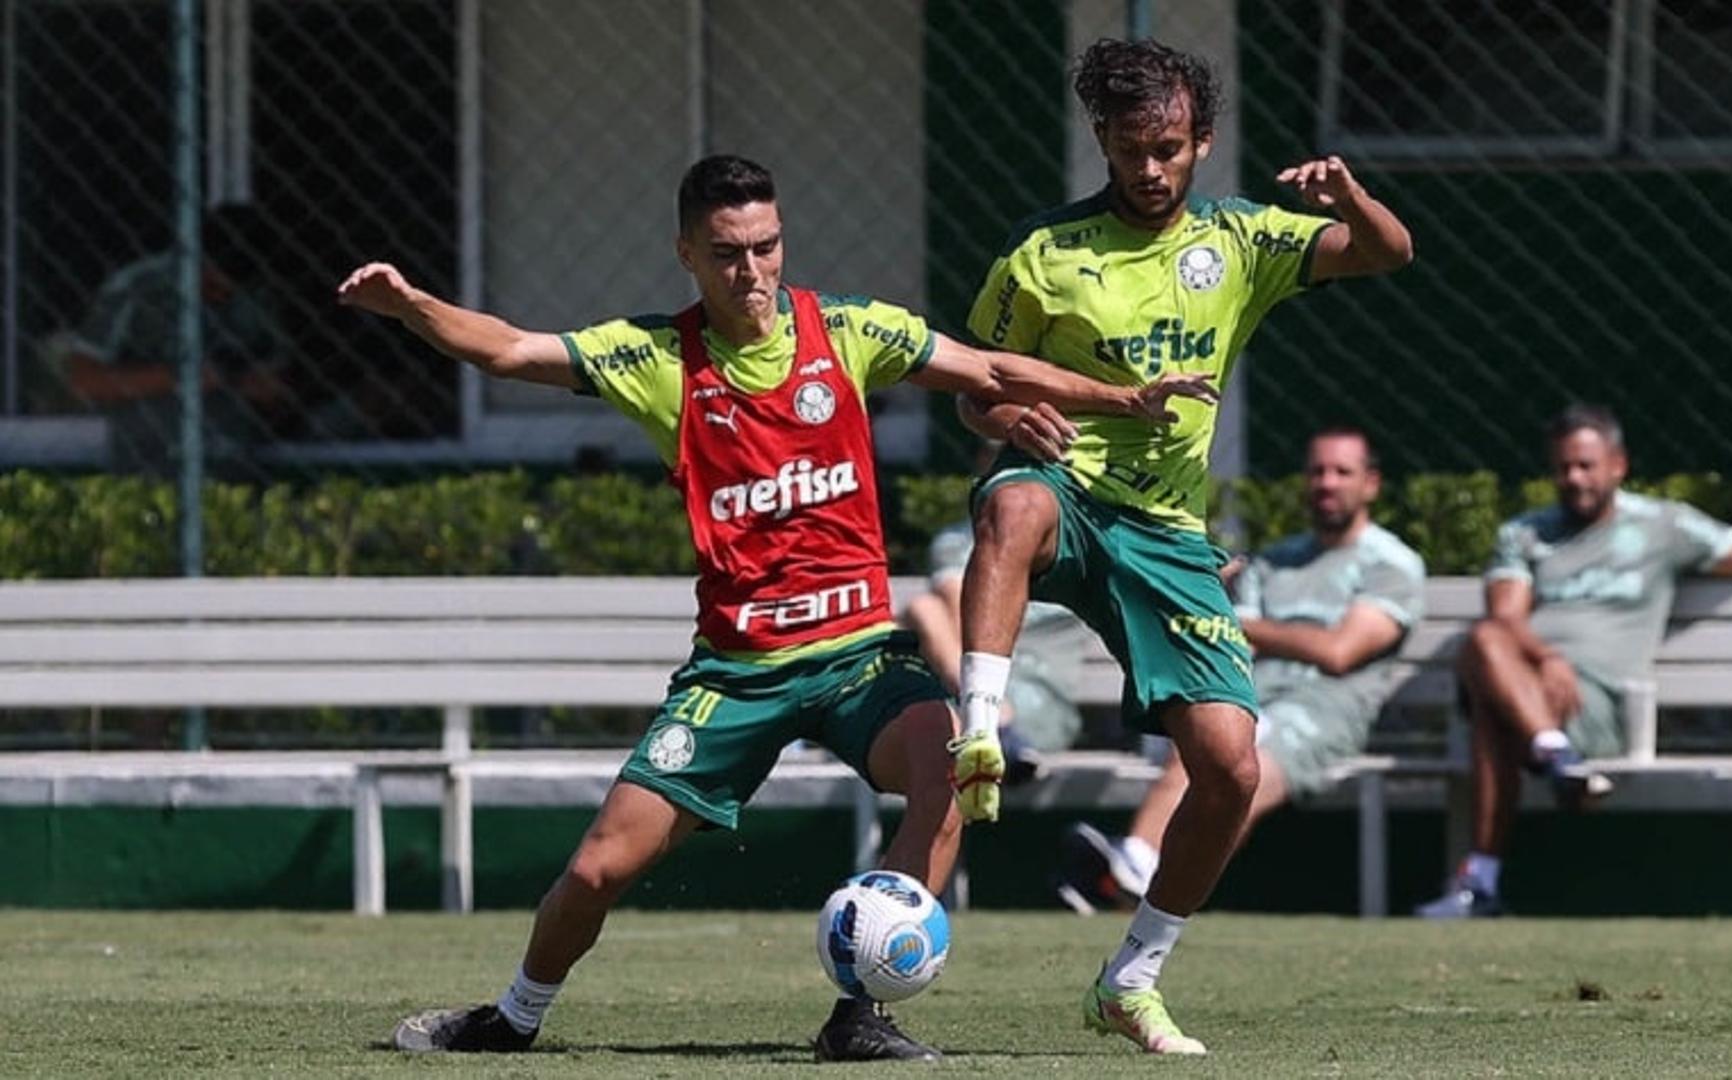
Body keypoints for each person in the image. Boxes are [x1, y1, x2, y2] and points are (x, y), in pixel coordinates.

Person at [336, 154, 1214, 1062]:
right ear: (686, 252)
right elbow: (510, 349)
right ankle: (510, 1020)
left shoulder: (847, 329)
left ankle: (861, 1015)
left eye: (766, 246)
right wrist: (411, 306)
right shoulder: (659, 358)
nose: (751, 271)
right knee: (599, 867)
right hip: (737, 674)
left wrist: (1119, 397)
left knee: (947, 770)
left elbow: (987, 365)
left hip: (858, 658)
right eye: (726, 253)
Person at [946, 38, 1414, 1054]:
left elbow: (1388, 253)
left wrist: (1349, 198)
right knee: (1011, 505)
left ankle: (1132, 977)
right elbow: (972, 385)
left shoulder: (1241, 239)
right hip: (1067, 490)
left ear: (1200, 139)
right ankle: (979, 720)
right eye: (1127, 149)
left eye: (1166, 147)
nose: (1147, 169)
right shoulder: (1041, 252)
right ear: (1101, 141)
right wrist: (1004, 422)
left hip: (1164, 532)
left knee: (1233, 771)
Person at [1417, 403, 1732, 919]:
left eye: (1586, 465)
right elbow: (1504, 618)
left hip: (1600, 704)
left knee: (1491, 709)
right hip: (1532, 685)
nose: (1573, 478)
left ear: (1618, 465)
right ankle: (1551, 760)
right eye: (1563, 467)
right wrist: (1546, 658)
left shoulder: (1664, 527)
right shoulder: (1523, 535)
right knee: (1486, 649)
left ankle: (1482, 880)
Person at [1056, 427, 1425, 913]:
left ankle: (1138, 877)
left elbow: (1339, 653)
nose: (1327, 483)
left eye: (1342, 472)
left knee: (1237, 768)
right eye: (1317, 471)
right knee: (1210, 736)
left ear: (1371, 483)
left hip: (1326, 711)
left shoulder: (1392, 563)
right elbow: (1230, 637)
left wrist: (1249, 626)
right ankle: (1138, 869)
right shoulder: (1277, 561)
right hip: (1253, 694)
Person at [900, 442, 1090, 779]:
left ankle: (987, 719)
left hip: (1038, 698)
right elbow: (962, 608)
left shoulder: (1074, 538)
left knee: (927, 611)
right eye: (995, 455)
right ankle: (991, 719)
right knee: (925, 609)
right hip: (972, 686)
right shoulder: (956, 540)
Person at [65, 203, 290, 479]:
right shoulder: (137, 289)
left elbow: (280, 381)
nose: (221, 296)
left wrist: (243, 382)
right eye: (212, 285)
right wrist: (178, 377)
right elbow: (84, 379)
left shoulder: (256, 295)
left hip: (230, 451)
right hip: (150, 448)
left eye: (231, 290)